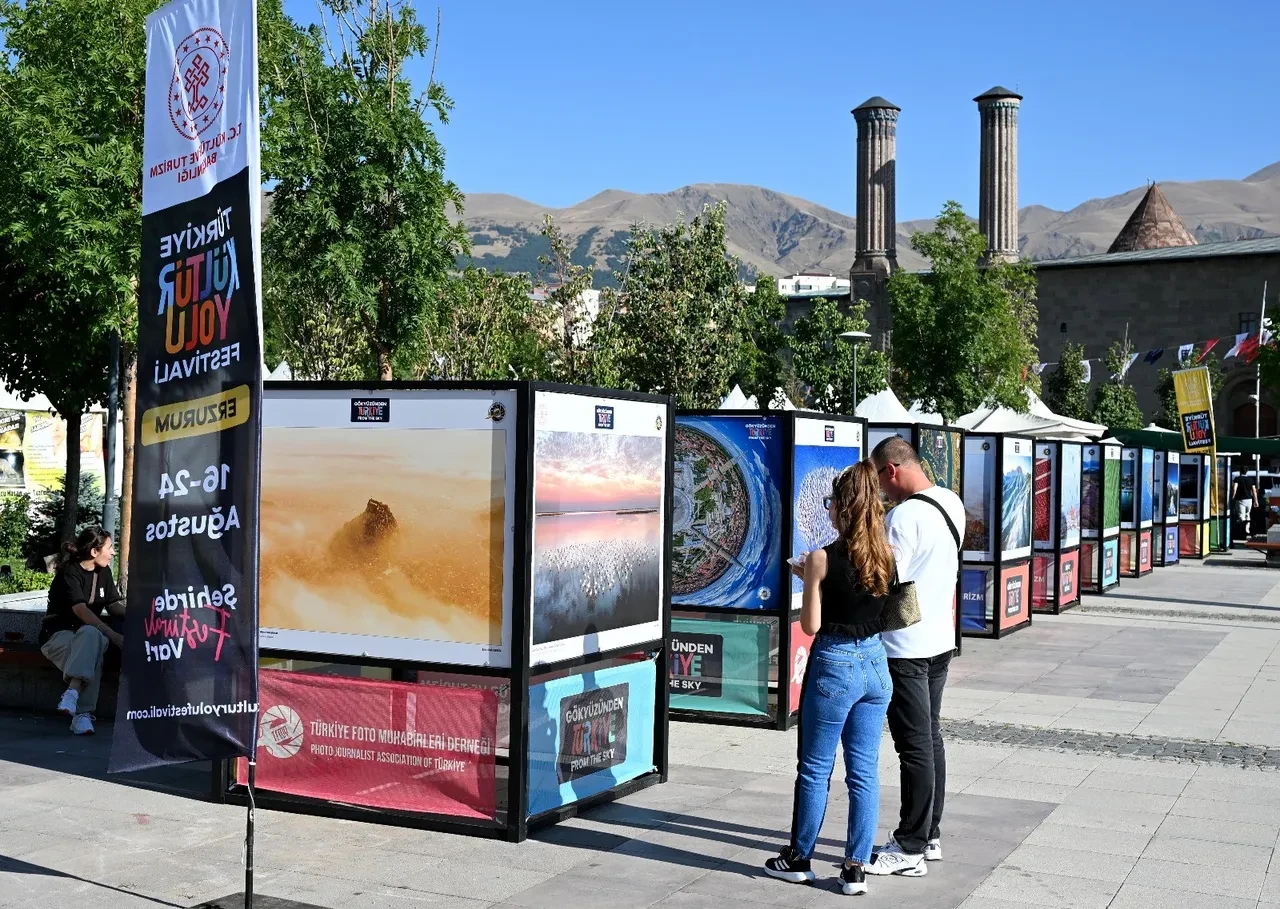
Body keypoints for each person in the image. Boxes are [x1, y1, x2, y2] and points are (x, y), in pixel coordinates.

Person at [764, 461, 894, 896]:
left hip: (835, 665)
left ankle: (799, 858)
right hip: (877, 664)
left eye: (831, 503)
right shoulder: (885, 554)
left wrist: (808, 580)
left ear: (842, 507)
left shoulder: (822, 557)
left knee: (816, 768)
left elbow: (812, 625)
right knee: (864, 772)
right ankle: (855, 868)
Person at [864, 436, 964, 878]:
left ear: (891, 470)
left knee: (914, 746)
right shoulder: (950, 502)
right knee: (931, 737)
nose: (882, 494)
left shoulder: (904, 517)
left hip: (906, 646)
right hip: (941, 639)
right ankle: (931, 833)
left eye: (881, 482)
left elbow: (885, 580)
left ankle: (909, 846)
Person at [38, 527, 125, 735]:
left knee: (91, 636)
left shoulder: (103, 572)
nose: (113, 552)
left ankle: (72, 692)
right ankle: (83, 716)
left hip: (89, 636)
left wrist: (141, 614)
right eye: (110, 547)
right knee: (92, 646)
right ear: (94, 551)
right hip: (59, 636)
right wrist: (113, 636)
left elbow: (113, 605)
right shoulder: (69, 572)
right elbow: (80, 609)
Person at [1231, 471, 1259, 539]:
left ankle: (1242, 532)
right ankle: (1247, 530)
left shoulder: (1237, 479)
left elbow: (1234, 488)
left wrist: (1233, 497)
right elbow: (1254, 491)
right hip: (1249, 500)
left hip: (1240, 500)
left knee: (1241, 516)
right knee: (1248, 515)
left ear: (1240, 472)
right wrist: (1256, 501)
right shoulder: (1251, 479)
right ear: (1247, 471)